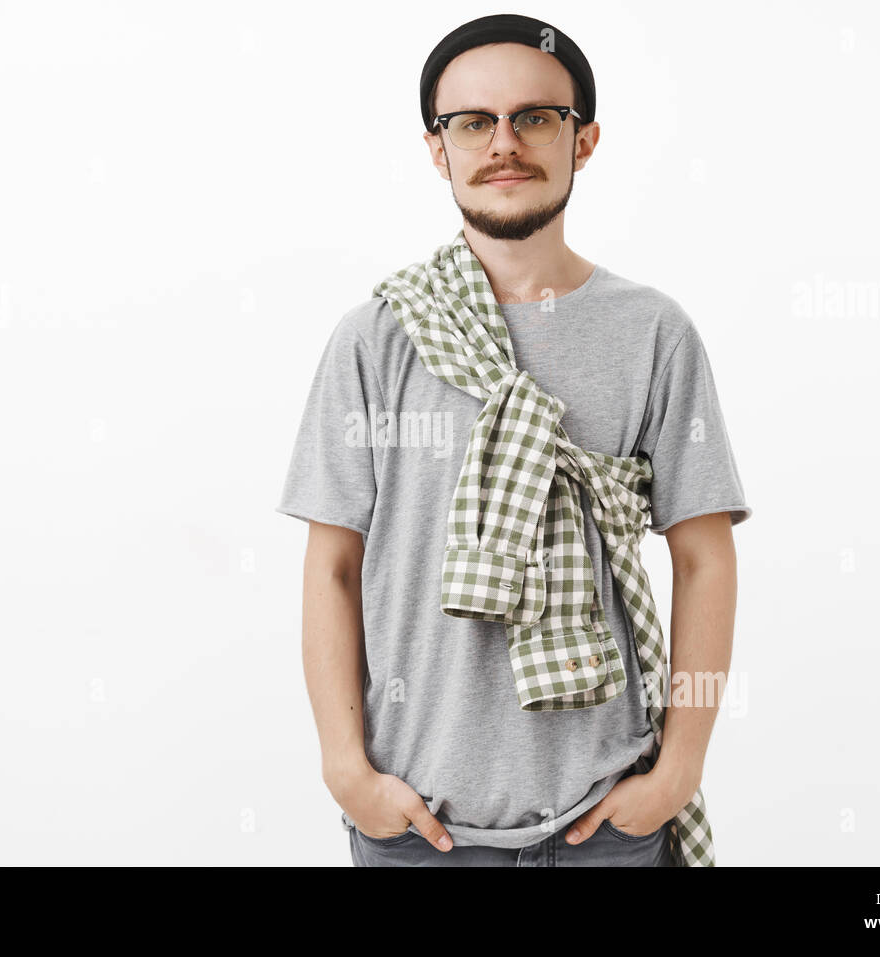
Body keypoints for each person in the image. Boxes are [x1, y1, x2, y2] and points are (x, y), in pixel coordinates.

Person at [275, 14, 752, 867]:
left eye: (536, 117)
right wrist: (347, 770)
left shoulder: (653, 333)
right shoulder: (378, 338)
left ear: (585, 139)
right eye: (473, 123)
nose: (505, 143)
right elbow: (333, 564)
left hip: (607, 821)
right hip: (420, 826)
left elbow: (704, 555)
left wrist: (679, 767)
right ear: (437, 148)